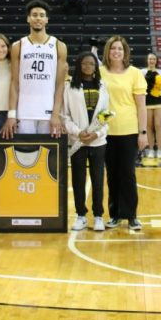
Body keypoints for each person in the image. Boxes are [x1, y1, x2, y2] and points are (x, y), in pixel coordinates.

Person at [101, 35, 147, 230]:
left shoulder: (135, 73)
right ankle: (115, 215)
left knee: (128, 174)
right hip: (106, 132)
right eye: (113, 49)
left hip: (129, 131)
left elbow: (141, 106)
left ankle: (132, 216)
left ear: (125, 52)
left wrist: (143, 132)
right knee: (112, 175)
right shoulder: (100, 72)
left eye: (120, 48)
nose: (116, 52)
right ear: (108, 52)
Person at [2, 0, 67, 137]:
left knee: (48, 156)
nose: (38, 18)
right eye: (34, 15)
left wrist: (56, 114)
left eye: (42, 15)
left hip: (49, 112)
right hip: (24, 112)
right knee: (27, 156)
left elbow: (60, 85)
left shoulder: (58, 46)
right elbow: (14, 83)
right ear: (28, 18)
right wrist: (12, 114)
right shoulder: (18, 46)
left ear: (47, 20)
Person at [63, 52, 110, 232]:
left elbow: (106, 114)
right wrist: (78, 132)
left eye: (91, 63)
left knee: (98, 180)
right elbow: (64, 115)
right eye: (84, 63)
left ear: (96, 66)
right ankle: (81, 215)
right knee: (78, 180)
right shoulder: (70, 87)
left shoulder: (103, 86)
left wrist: (97, 133)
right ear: (79, 65)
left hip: (98, 143)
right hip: (78, 142)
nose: (88, 66)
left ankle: (98, 216)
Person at [142, 52, 161, 163]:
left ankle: (159, 150)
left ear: (156, 61)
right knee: (149, 126)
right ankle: (151, 150)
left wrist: (157, 87)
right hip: (147, 101)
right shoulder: (142, 72)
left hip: (158, 100)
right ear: (147, 60)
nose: (151, 61)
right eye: (150, 59)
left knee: (158, 125)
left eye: (153, 59)